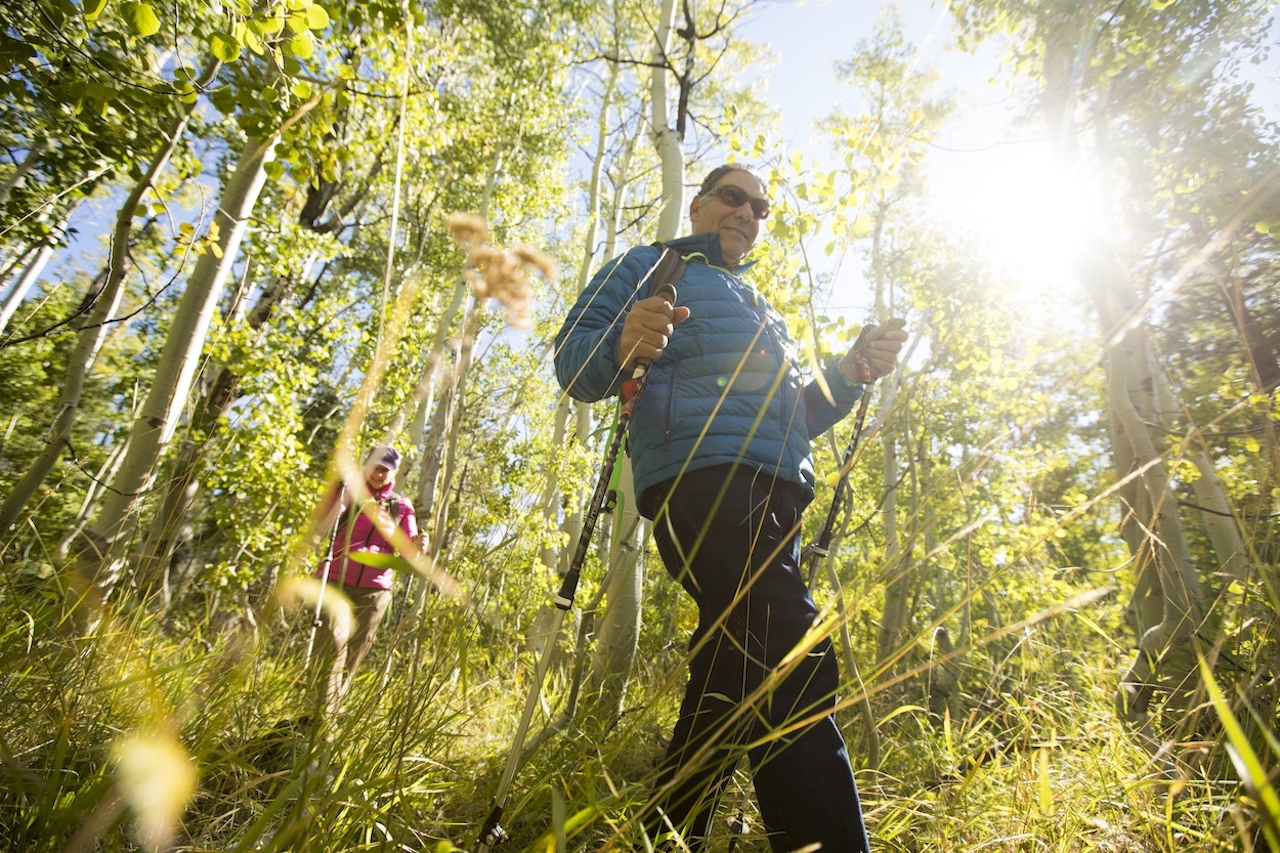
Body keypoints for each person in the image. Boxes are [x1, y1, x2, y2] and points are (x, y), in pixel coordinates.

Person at [554, 164, 907, 852]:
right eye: (734, 197)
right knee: (791, 652)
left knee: (733, 669)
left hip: (779, 494)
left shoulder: (758, 304)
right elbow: (576, 362)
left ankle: (664, 832)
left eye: (761, 208)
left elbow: (796, 416)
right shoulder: (651, 263)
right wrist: (625, 338)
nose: (749, 212)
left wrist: (849, 374)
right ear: (699, 205)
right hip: (702, 478)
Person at [315, 445, 420, 714]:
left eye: (385, 469)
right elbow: (322, 524)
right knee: (329, 647)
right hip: (336, 581)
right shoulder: (350, 493)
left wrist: (421, 545)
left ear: (393, 473)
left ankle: (329, 715)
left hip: (375, 591)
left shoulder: (400, 506)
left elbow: (410, 551)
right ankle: (316, 714)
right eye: (376, 466)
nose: (379, 472)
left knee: (353, 655)